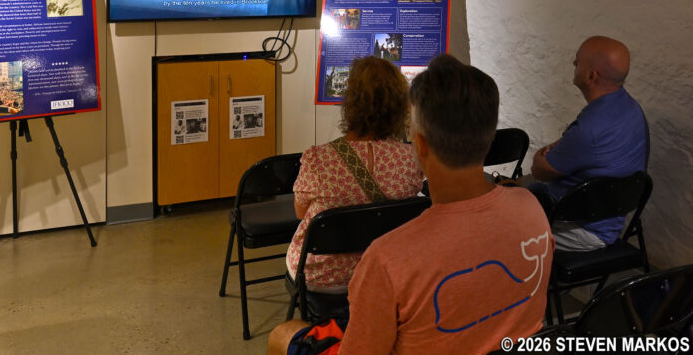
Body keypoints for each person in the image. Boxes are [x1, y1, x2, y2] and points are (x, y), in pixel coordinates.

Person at [269, 54, 553, 355]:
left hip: (334, 290)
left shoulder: (389, 259)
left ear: (420, 145)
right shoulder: (532, 208)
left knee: (282, 334)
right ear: (489, 136)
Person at [285, 56, 423, 293]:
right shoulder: (411, 158)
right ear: (399, 106)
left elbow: (300, 213)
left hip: (323, 277)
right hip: (386, 272)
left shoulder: (318, 159)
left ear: (350, 103)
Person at [530, 36, 648, 252]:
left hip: (581, 229)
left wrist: (539, 155)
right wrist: (566, 143)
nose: (573, 64)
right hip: (609, 218)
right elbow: (580, 143)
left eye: (578, 61)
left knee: (501, 223)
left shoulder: (589, 130)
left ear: (591, 76)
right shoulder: (631, 109)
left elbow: (540, 171)